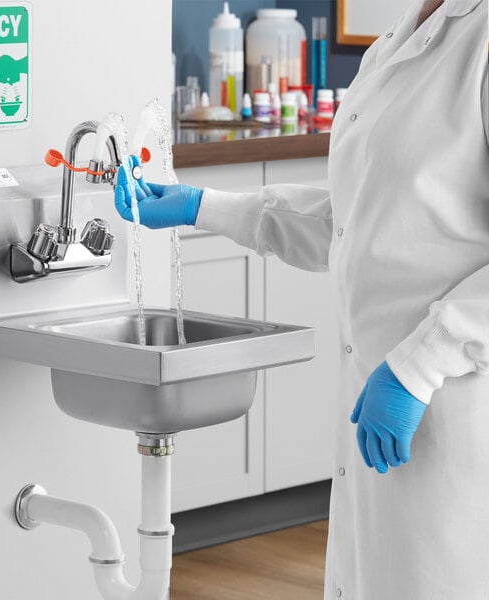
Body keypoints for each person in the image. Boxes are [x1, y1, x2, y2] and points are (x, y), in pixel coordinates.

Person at [115, 0, 489, 597]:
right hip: (377, 410)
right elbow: (352, 222)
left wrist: (420, 367)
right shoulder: (398, 39)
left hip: (456, 410)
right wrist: (200, 204)